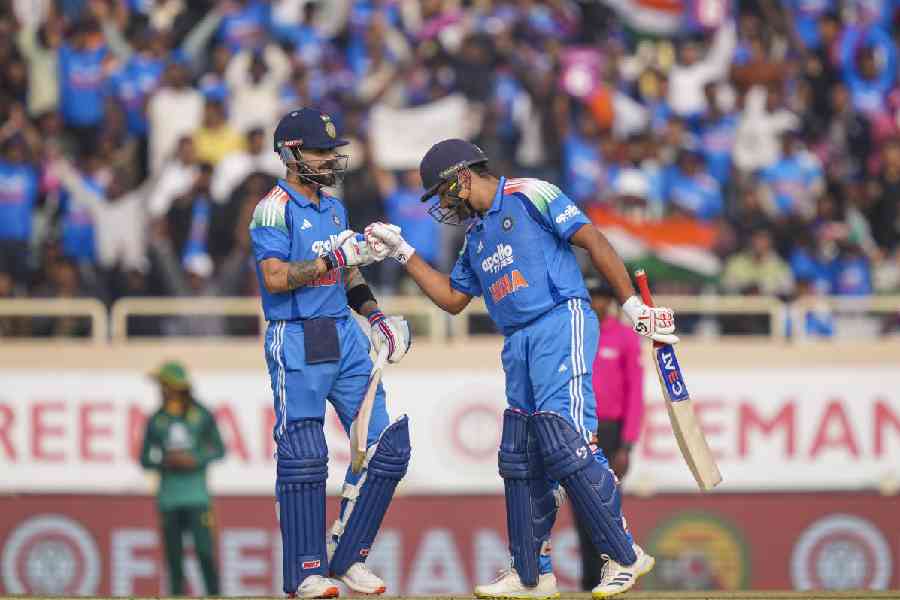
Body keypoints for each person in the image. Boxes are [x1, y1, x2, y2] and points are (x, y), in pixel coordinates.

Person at [364, 139, 678, 598]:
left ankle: (625, 554)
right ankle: (532, 572)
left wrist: (630, 304)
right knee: (521, 455)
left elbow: (591, 238)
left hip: (559, 319)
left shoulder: (532, 194)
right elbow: (453, 300)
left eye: (443, 192)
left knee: (564, 440)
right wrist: (403, 253)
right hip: (517, 342)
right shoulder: (475, 238)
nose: (445, 204)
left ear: (462, 177)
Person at [249, 108, 411, 598]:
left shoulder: (334, 208)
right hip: (296, 334)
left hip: (343, 333)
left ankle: (349, 554)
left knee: (384, 444)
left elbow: (348, 273)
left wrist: (377, 318)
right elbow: (275, 277)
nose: (329, 160)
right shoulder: (272, 208)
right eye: (320, 151)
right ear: (291, 153)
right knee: (304, 454)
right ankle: (305, 572)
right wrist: (330, 259)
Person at [574, 278, 645, 591]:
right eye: (592, 297)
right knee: (581, 511)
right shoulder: (575, 333)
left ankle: (613, 576)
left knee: (606, 509)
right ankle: (589, 582)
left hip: (610, 432)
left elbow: (635, 394)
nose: (597, 303)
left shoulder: (625, 338)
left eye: (602, 297)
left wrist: (627, 446)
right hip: (579, 428)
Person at [139, 361, 225, 597]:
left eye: (164, 385)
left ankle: (215, 595)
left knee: (205, 554)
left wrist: (194, 459)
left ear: (175, 387)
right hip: (169, 498)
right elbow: (144, 459)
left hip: (197, 497)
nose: (161, 390)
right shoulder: (156, 420)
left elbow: (219, 449)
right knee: (174, 560)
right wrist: (165, 462)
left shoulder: (202, 415)